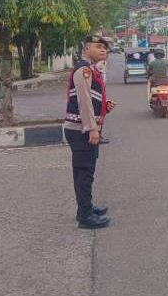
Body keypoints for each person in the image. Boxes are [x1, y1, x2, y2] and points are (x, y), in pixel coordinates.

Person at [64, 35, 116, 229]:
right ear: (86, 49)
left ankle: (86, 207)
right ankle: (85, 216)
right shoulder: (84, 70)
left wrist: (104, 106)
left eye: (105, 48)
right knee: (83, 173)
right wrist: (92, 129)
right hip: (81, 131)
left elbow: (91, 99)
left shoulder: (92, 71)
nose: (103, 50)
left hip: (84, 129)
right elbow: (83, 102)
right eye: (98, 47)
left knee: (88, 172)